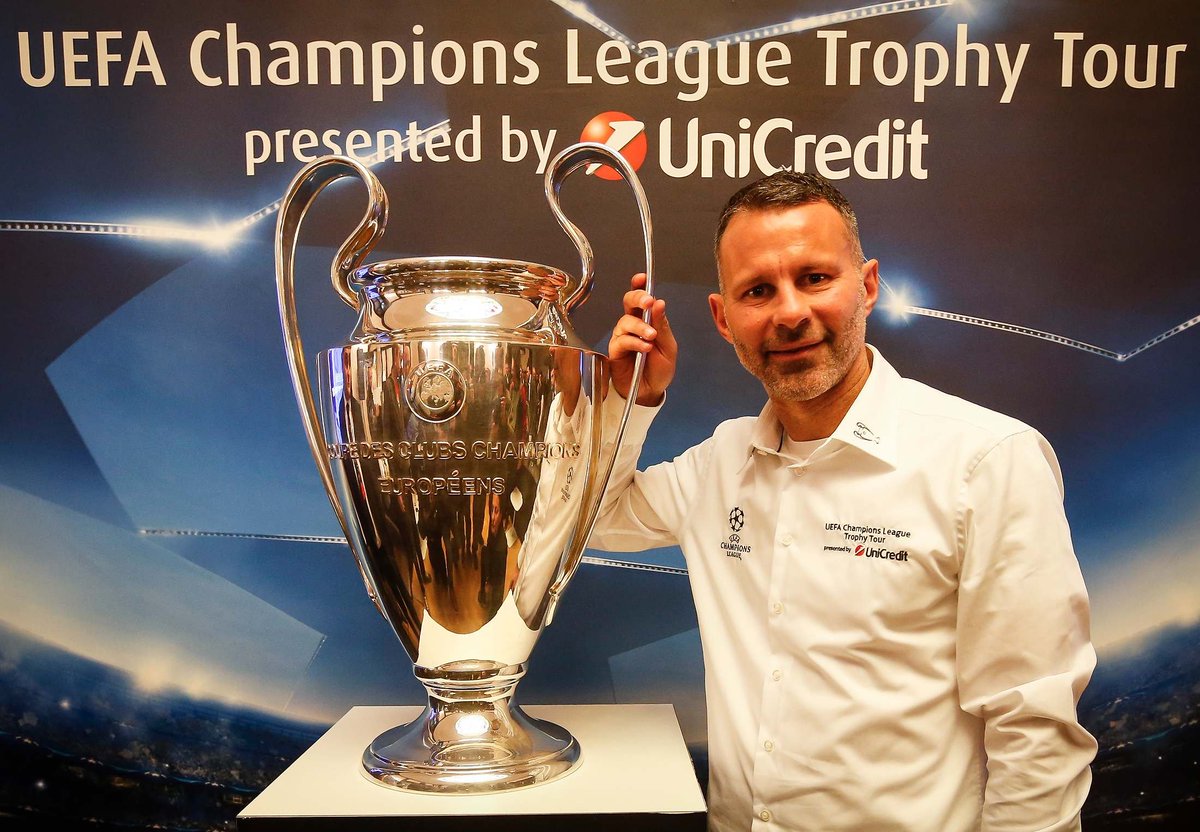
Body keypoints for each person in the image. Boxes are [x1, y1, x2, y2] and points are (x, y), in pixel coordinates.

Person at [591, 171, 1097, 832]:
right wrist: (631, 400)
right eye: (757, 291)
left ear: (868, 285)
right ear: (723, 318)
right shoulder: (718, 463)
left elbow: (1035, 737)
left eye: (815, 278)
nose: (789, 313)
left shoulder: (987, 461)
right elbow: (591, 521)